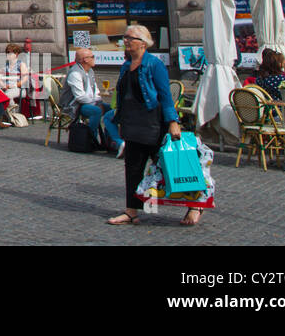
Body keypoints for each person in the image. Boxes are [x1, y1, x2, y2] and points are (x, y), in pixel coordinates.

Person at [107, 24, 195, 226]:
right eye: (125, 37)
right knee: (133, 169)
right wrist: (120, 120)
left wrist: (173, 122)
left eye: (129, 38)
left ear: (142, 43)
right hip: (132, 124)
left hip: (153, 125)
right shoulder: (125, 65)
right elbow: (123, 96)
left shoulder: (154, 65)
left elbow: (165, 96)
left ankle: (195, 205)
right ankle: (132, 211)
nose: (125, 41)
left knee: (171, 167)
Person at [66, 48, 120, 151]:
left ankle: (109, 140)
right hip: (75, 106)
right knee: (96, 111)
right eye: (92, 57)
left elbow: (95, 90)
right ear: (85, 60)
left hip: (90, 102)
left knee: (111, 110)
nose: (94, 59)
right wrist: (96, 102)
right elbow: (80, 97)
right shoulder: (75, 73)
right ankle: (91, 139)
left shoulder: (90, 71)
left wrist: (97, 100)